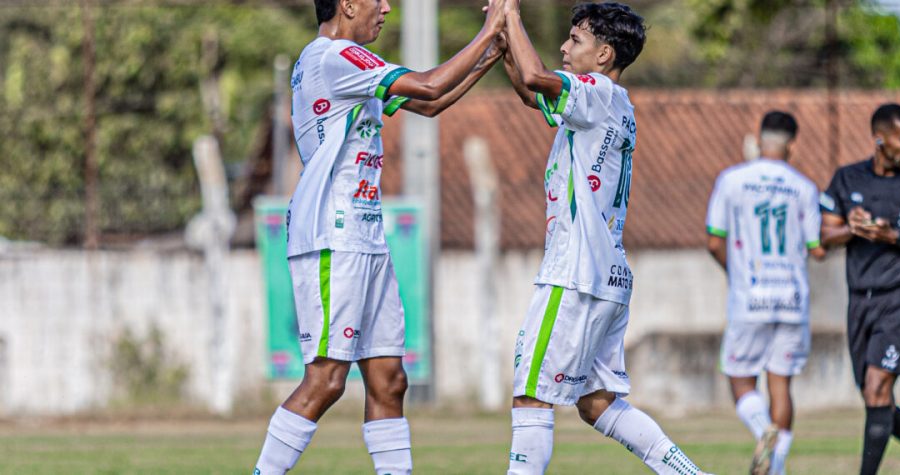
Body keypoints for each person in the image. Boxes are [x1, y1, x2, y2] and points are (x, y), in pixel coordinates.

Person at [252, 0, 508, 473]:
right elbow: (429, 83)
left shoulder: (348, 66)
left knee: (390, 380)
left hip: (366, 237)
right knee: (327, 381)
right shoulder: (335, 57)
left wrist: (492, 50)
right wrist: (490, 27)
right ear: (348, 4)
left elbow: (428, 104)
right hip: (333, 235)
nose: (386, 8)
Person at [499, 3, 709, 474]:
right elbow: (533, 94)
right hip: (606, 274)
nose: (563, 47)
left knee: (531, 395)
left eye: (575, 40)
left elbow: (536, 79)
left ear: (603, 55)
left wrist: (510, 14)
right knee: (597, 402)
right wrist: (503, 44)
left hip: (574, 273)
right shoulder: (613, 101)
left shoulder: (594, 91)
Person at [820, 103, 900, 475]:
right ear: (880, 139)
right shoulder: (847, 178)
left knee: (877, 388)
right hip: (861, 302)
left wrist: (895, 235)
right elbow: (823, 234)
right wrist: (852, 228)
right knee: (877, 400)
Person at [706, 111, 825, 475]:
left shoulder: (732, 180)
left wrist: (736, 272)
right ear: (793, 145)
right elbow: (816, 248)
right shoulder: (804, 187)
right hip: (792, 299)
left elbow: (714, 242)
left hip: (750, 297)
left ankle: (763, 430)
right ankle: (777, 468)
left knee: (739, 378)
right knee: (781, 385)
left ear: (758, 140)